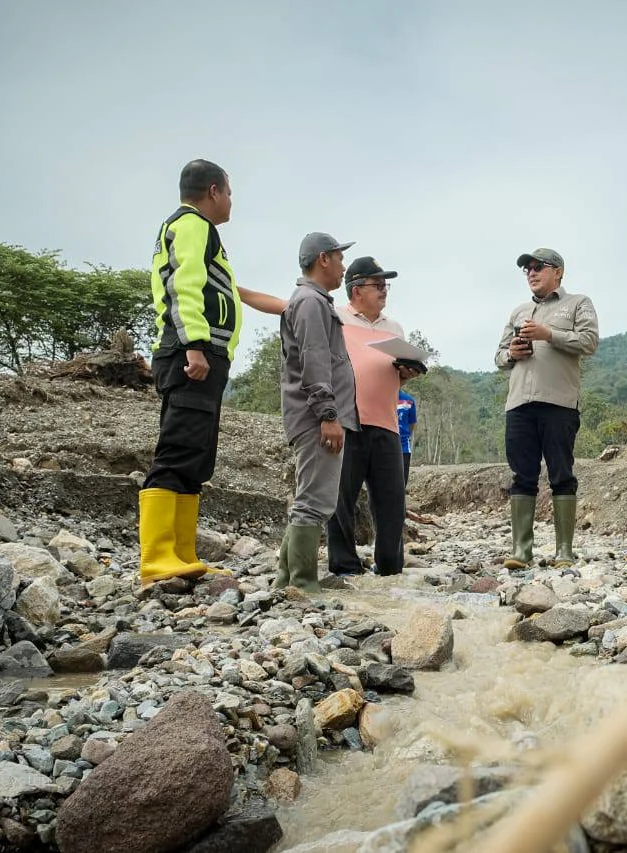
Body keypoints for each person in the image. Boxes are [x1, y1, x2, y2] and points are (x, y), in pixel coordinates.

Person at [138, 159, 288, 586]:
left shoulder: (199, 231)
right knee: (179, 448)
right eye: (230, 192)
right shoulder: (192, 225)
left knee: (196, 455)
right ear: (214, 190)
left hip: (204, 358)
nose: (231, 202)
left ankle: (182, 552)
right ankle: (157, 558)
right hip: (191, 357)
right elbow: (183, 285)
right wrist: (195, 346)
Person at [495, 248, 599, 569]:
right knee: (522, 476)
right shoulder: (518, 311)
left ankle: (564, 552)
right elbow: (499, 358)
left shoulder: (578, 303)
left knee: (561, 474)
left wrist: (548, 334)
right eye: (527, 268)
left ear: (558, 272)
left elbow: (589, 341)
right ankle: (521, 552)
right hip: (519, 406)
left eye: (538, 267)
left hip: (559, 404)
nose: (531, 272)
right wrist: (512, 352)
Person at [326, 256, 421, 578]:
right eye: (377, 285)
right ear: (356, 289)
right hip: (347, 421)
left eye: (385, 285)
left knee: (392, 501)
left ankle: (390, 567)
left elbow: (395, 376)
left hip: (387, 422)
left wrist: (407, 374)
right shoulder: (334, 318)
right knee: (342, 498)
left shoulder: (394, 327)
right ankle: (345, 567)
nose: (384, 291)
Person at [275, 232, 358, 593]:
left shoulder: (313, 301)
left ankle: (285, 582)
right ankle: (304, 587)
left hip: (313, 415)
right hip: (315, 418)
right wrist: (328, 414)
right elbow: (314, 360)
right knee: (315, 501)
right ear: (323, 259)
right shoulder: (310, 302)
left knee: (310, 498)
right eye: (340, 258)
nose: (343, 266)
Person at [397, 387, 418, 486]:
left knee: (401, 483)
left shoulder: (409, 400)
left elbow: (412, 423)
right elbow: (412, 424)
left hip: (403, 447)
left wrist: (406, 435)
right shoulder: (380, 397)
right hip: (400, 446)